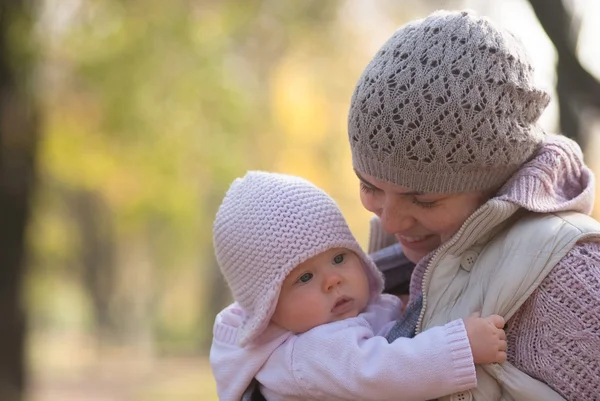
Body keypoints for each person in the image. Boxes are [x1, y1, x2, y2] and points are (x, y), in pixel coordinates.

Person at [347, 9, 600, 401]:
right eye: (370, 187)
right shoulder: (384, 267)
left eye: (424, 199)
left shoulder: (568, 278)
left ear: (494, 182)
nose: (393, 220)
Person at [210, 171, 508, 401]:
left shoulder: (327, 320)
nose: (332, 280)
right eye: (304, 277)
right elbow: (382, 371)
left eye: (339, 257)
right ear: (267, 308)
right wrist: (461, 347)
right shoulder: (304, 355)